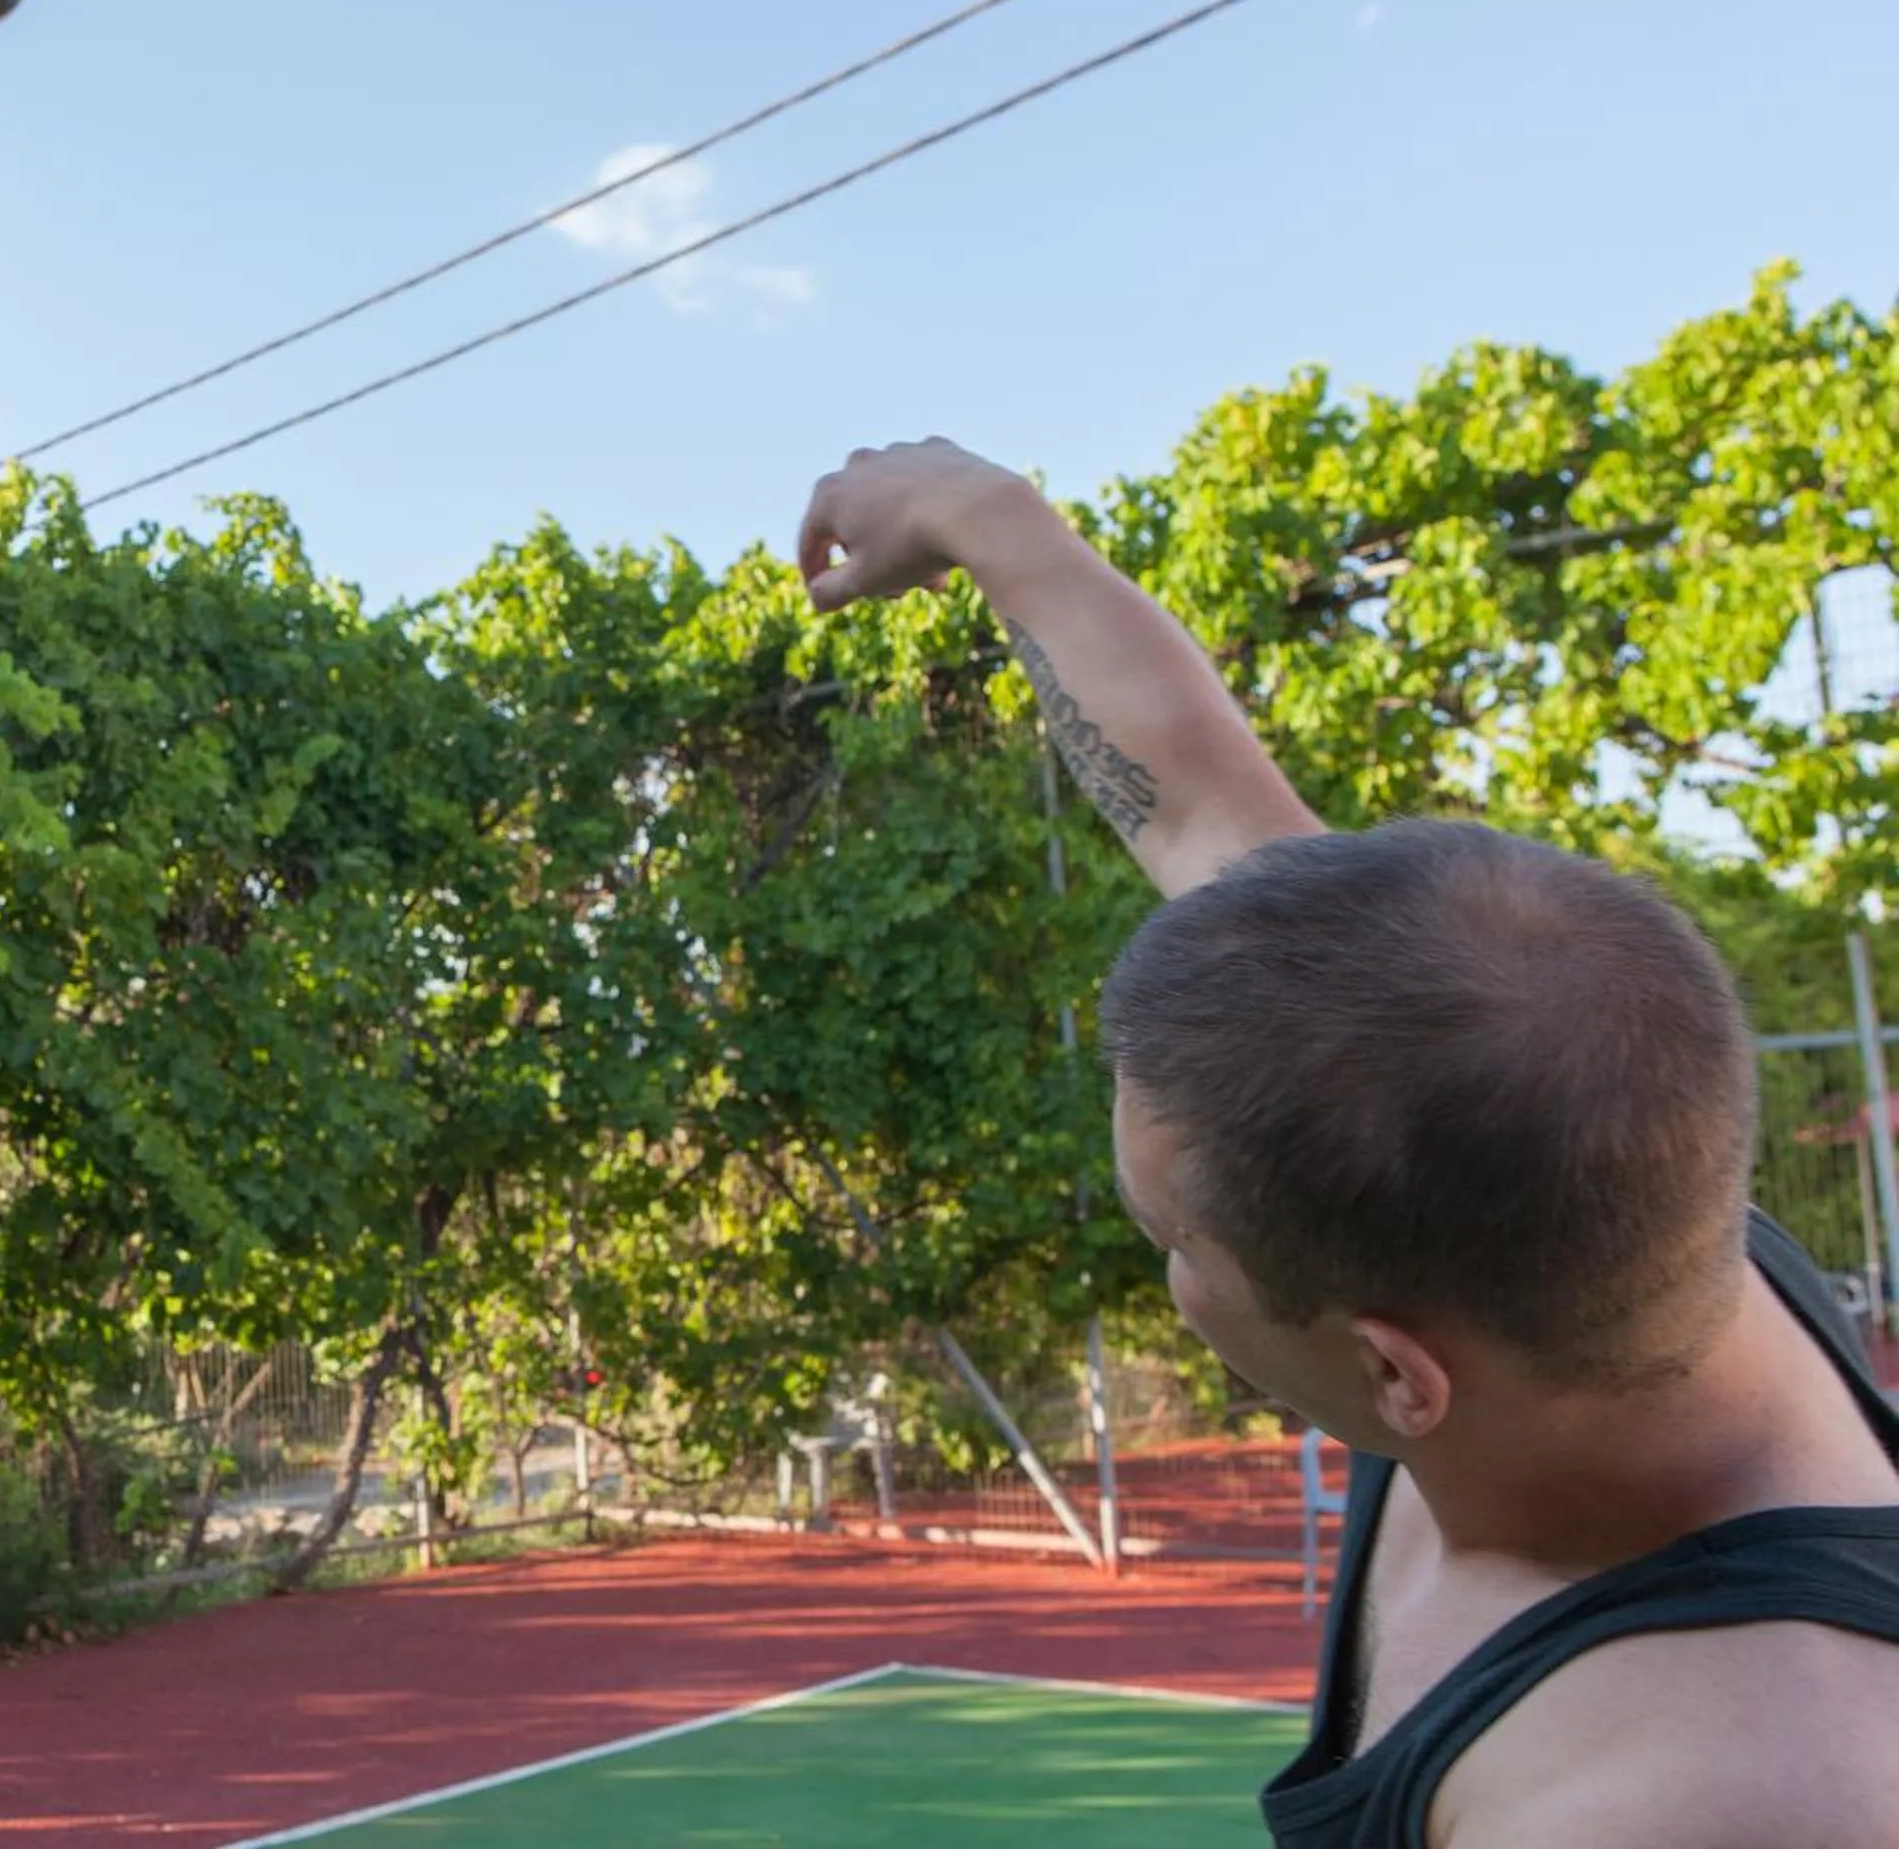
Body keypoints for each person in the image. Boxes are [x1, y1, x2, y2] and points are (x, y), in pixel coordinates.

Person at [796, 439, 1899, 1849]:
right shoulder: (1567, 1198)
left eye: (1175, 1242)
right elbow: (1197, 805)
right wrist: (984, 517)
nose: (1170, 1284)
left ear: (1397, 1371)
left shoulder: (1709, 1789)